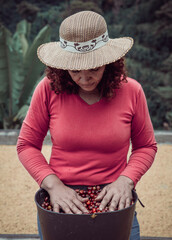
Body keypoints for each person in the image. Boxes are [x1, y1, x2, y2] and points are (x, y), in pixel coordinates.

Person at [17, 11, 157, 240]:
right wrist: (52, 186)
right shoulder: (47, 89)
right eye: (74, 70)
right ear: (62, 67)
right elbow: (26, 145)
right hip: (60, 201)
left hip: (115, 201)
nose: (84, 78)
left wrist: (126, 180)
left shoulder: (132, 91)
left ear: (110, 63)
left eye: (94, 68)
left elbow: (146, 146)